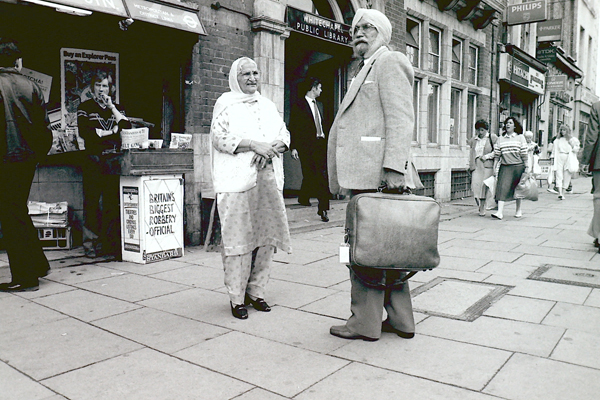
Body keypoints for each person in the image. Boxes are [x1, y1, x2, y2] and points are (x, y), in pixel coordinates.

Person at [327, 9, 416, 341]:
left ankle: (363, 322)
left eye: (367, 27)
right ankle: (401, 319)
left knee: (362, 251)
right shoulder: (364, 67)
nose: (359, 32)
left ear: (383, 33)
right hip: (368, 176)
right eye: (355, 28)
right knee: (390, 250)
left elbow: (401, 118)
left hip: (376, 178)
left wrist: (393, 168)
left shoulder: (389, 62)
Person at [211, 57, 292, 320]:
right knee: (238, 241)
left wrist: (269, 150)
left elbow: (284, 134)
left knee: (266, 239)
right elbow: (219, 138)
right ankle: (236, 297)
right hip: (236, 183)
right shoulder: (226, 103)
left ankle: (256, 291)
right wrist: (253, 144)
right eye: (246, 74)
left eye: (255, 73)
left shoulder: (268, 105)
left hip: (267, 180)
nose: (252, 78)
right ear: (236, 77)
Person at [0, 38, 52, 292]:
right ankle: (38, 265)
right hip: (26, 159)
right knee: (18, 211)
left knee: (11, 216)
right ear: (18, 62)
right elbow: (44, 129)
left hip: (5, 158)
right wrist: (37, 154)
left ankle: (25, 277)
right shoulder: (31, 86)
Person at [77, 70, 132, 259]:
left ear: (111, 89)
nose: (102, 89)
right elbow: (87, 133)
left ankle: (109, 243)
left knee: (111, 202)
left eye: (105, 86)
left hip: (113, 162)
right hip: (93, 160)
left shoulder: (117, 108)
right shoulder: (85, 107)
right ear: (92, 88)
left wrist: (112, 109)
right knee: (92, 202)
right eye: (98, 85)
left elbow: (126, 127)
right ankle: (90, 244)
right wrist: (112, 131)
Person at [289, 77, 331, 222]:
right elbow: (293, 127)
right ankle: (316, 203)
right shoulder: (299, 105)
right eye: (319, 87)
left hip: (320, 143)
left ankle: (319, 205)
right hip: (306, 145)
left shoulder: (320, 105)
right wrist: (293, 147)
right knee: (313, 174)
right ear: (313, 88)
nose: (321, 90)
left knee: (321, 174)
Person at [491, 116, 528, 220]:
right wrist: (494, 168)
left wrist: (528, 167)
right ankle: (499, 212)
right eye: (507, 123)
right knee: (502, 188)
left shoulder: (520, 137)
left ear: (515, 126)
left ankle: (518, 210)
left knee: (518, 189)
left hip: (518, 166)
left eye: (510, 123)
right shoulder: (500, 139)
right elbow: (497, 155)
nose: (508, 124)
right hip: (505, 167)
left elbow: (524, 153)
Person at [581, 100, 600, 251]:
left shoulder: (597, 106)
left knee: (599, 197)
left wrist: (585, 160)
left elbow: (592, 136)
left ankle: (599, 235)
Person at [469, 119, 497, 216]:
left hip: (487, 165)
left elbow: (496, 152)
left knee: (484, 187)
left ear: (486, 130)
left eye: (482, 130)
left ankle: (482, 207)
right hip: (476, 165)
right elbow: (471, 152)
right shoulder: (473, 140)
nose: (480, 132)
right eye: (478, 130)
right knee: (475, 186)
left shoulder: (492, 138)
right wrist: (469, 164)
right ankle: (480, 204)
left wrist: (486, 156)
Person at [552, 125, 580, 200]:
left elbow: (577, 149)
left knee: (567, 175)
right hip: (559, 157)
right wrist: (552, 159)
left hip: (568, 157)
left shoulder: (572, 140)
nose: (562, 132)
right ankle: (560, 193)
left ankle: (563, 192)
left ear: (567, 131)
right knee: (558, 174)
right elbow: (554, 151)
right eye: (561, 130)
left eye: (564, 130)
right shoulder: (557, 140)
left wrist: (572, 146)